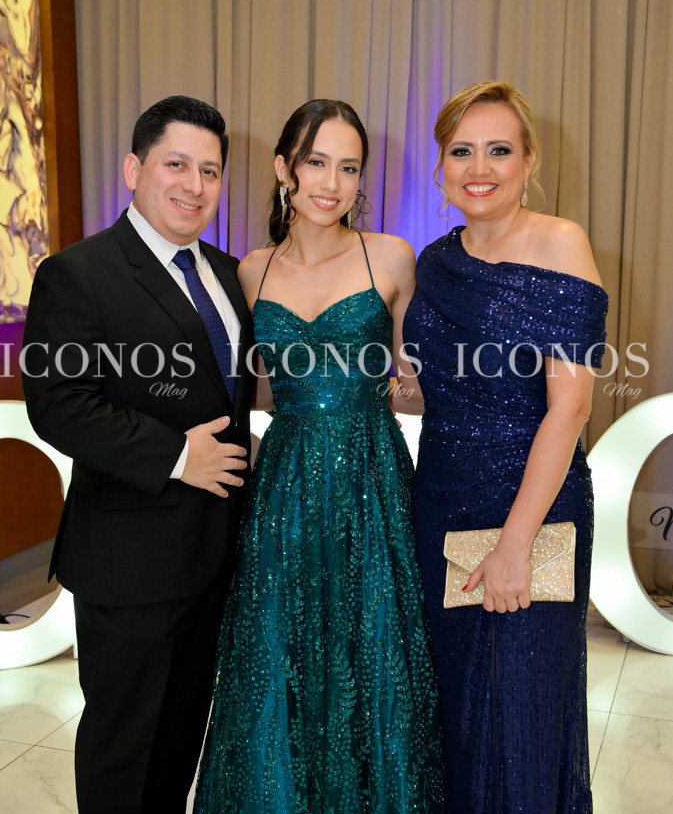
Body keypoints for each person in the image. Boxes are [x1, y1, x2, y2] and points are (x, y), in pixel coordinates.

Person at [193, 99, 444, 813]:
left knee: (375, 651)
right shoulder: (250, 271)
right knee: (280, 647)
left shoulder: (390, 256)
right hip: (286, 483)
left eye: (349, 167)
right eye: (315, 162)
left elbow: (416, 386)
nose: (332, 183)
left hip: (372, 478)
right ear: (284, 169)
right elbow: (254, 388)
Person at [22, 96, 254, 814]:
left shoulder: (228, 272)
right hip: (128, 562)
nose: (194, 184)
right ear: (133, 169)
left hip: (214, 552)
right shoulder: (77, 272)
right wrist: (177, 456)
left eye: (209, 170)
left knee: (179, 741)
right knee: (123, 751)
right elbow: (59, 403)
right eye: (175, 164)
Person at [403, 81, 608, 813]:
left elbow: (570, 406)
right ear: (441, 167)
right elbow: (432, 387)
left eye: (498, 150)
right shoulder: (433, 262)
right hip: (441, 500)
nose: (479, 168)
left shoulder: (560, 242)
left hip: (534, 504)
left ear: (528, 161)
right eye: (461, 151)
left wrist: (515, 543)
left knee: (523, 710)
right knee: (457, 711)